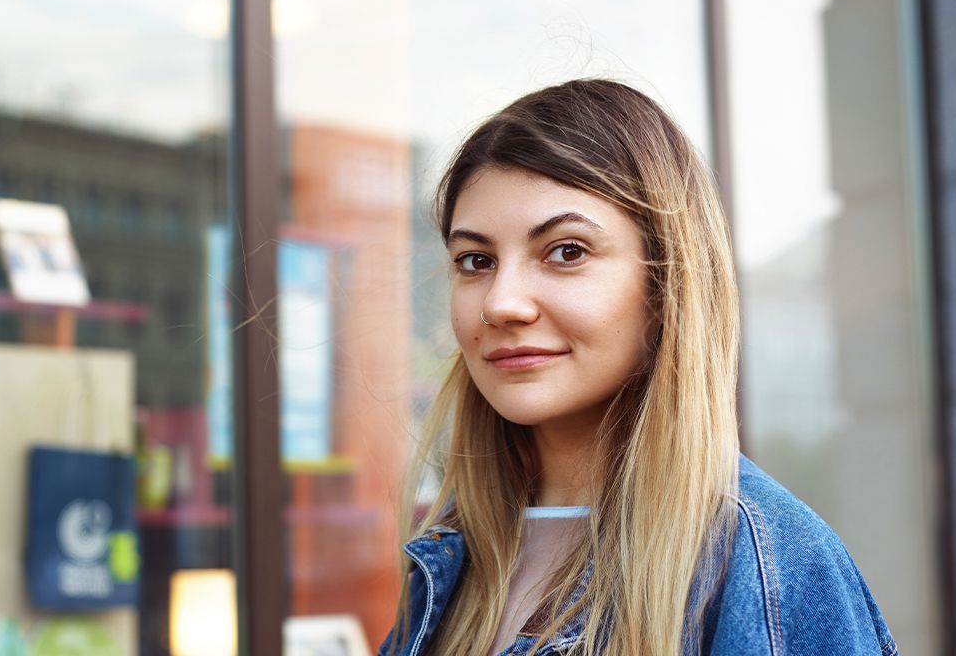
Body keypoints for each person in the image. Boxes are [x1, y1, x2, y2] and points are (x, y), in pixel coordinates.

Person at [378, 79, 898, 656]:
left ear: (664, 286)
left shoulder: (765, 564)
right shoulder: (449, 557)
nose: (501, 302)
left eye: (566, 252)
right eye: (475, 261)